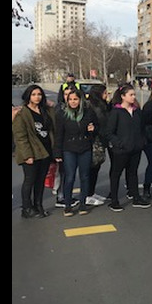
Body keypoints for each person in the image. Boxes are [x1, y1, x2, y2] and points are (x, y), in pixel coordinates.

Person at [103, 85, 151, 211]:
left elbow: (141, 128)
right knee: (116, 174)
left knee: (132, 173)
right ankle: (114, 200)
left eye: (134, 95)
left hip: (136, 147)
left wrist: (141, 141)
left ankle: (136, 197)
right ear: (123, 96)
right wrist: (119, 143)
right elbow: (109, 132)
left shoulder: (136, 111)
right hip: (121, 149)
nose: (133, 97)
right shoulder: (116, 112)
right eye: (131, 95)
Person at [13, 85, 58, 218]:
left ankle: (38, 205)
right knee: (29, 180)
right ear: (28, 96)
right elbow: (20, 137)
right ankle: (26, 208)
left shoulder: (46, 110)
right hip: (31, 152)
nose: (37, 97)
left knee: (40, 180)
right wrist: (27, 155)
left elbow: (53, 127)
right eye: (33, 94)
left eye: (39, 94)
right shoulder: (22, 113)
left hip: (45, 150)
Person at [53, 88, 98, 216]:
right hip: (69, 149)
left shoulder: (88, 112)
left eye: (75, 99)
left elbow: (97, 126)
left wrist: (93, 129)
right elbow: (59, 134)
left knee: (84, 176)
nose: (73, 102)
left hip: (84, 147)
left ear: (80, 100)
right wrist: (57, 152)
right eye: (70, 99)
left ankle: (83, 203)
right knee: (70, 177)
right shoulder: (62, 114)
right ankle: (68, 205)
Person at [84, 84, 110, 206]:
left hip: (101, 139)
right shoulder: (91, 106)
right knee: (91, 168)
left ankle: (91, 192)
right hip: (94, 140)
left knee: (96, 167)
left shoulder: (103, 105)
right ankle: (87, 194)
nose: (107, 95)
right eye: (105, 93)